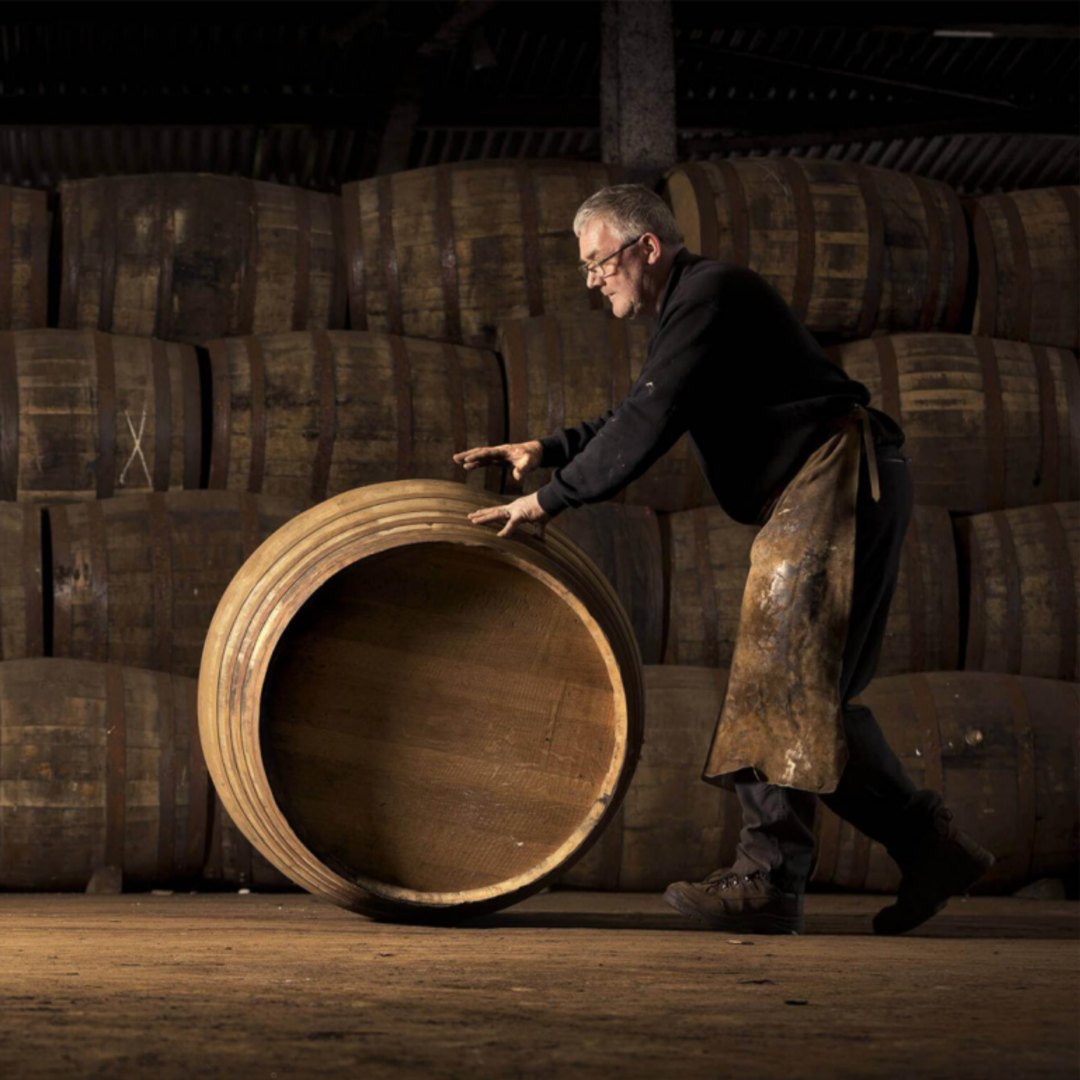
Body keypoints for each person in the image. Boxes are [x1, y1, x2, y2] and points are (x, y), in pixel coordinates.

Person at [453, 184, 994, 936]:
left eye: (599, 262)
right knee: (810, 698)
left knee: (777, 683)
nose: (592, 279)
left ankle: (771, 877)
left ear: (647, 247)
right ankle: (925, 846)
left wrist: (548, 500)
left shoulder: (712, 290)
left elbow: (651, 412)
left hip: (837, 478)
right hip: (822, 488)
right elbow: (643, 405)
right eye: (584, 269)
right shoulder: (693, 308)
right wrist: (547, 450)